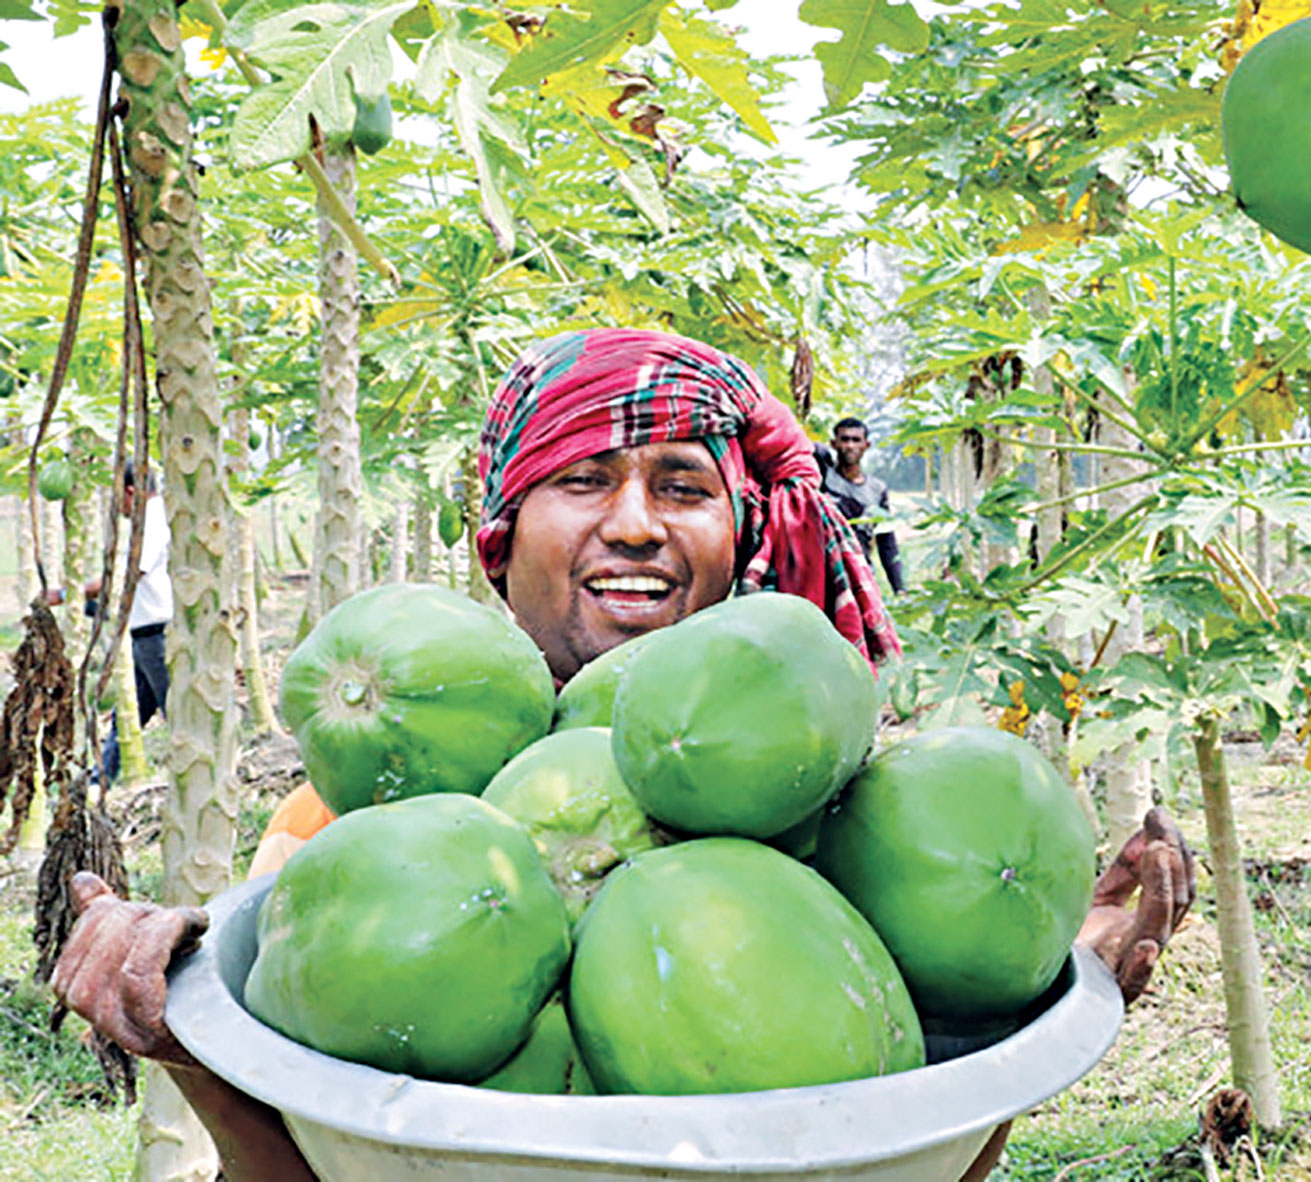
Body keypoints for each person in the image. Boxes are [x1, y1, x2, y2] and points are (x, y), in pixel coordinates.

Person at [52, 328, 1193, 1182]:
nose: (638, 523)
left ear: (745, 536)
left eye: (685, 486)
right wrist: (195, 1036)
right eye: (584, 480)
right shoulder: (338, 822)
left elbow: (894, 1139)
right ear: (500, 542)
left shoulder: (833, 807)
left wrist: (1033, 982)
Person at [83, 462, 173, 785]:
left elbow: (131, 573)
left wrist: (71, 592)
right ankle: (98, 781)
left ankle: (196, 782)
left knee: (174, 713)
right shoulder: (147, 519)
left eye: (116, 496)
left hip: (159, 634)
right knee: (128, 712)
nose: (115, 504)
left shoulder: (154, 519)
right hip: (145, 635)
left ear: (131, 492)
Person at [814, 416, 907, 595]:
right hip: (825, 572)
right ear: (834, 444)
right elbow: (808, 448)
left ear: (867, 445)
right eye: (844, 439)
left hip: (860, 574)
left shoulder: (877, 489)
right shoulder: (825, 477)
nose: (850, 446)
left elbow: (886, 541)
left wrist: (899, 587)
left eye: (856, 440)